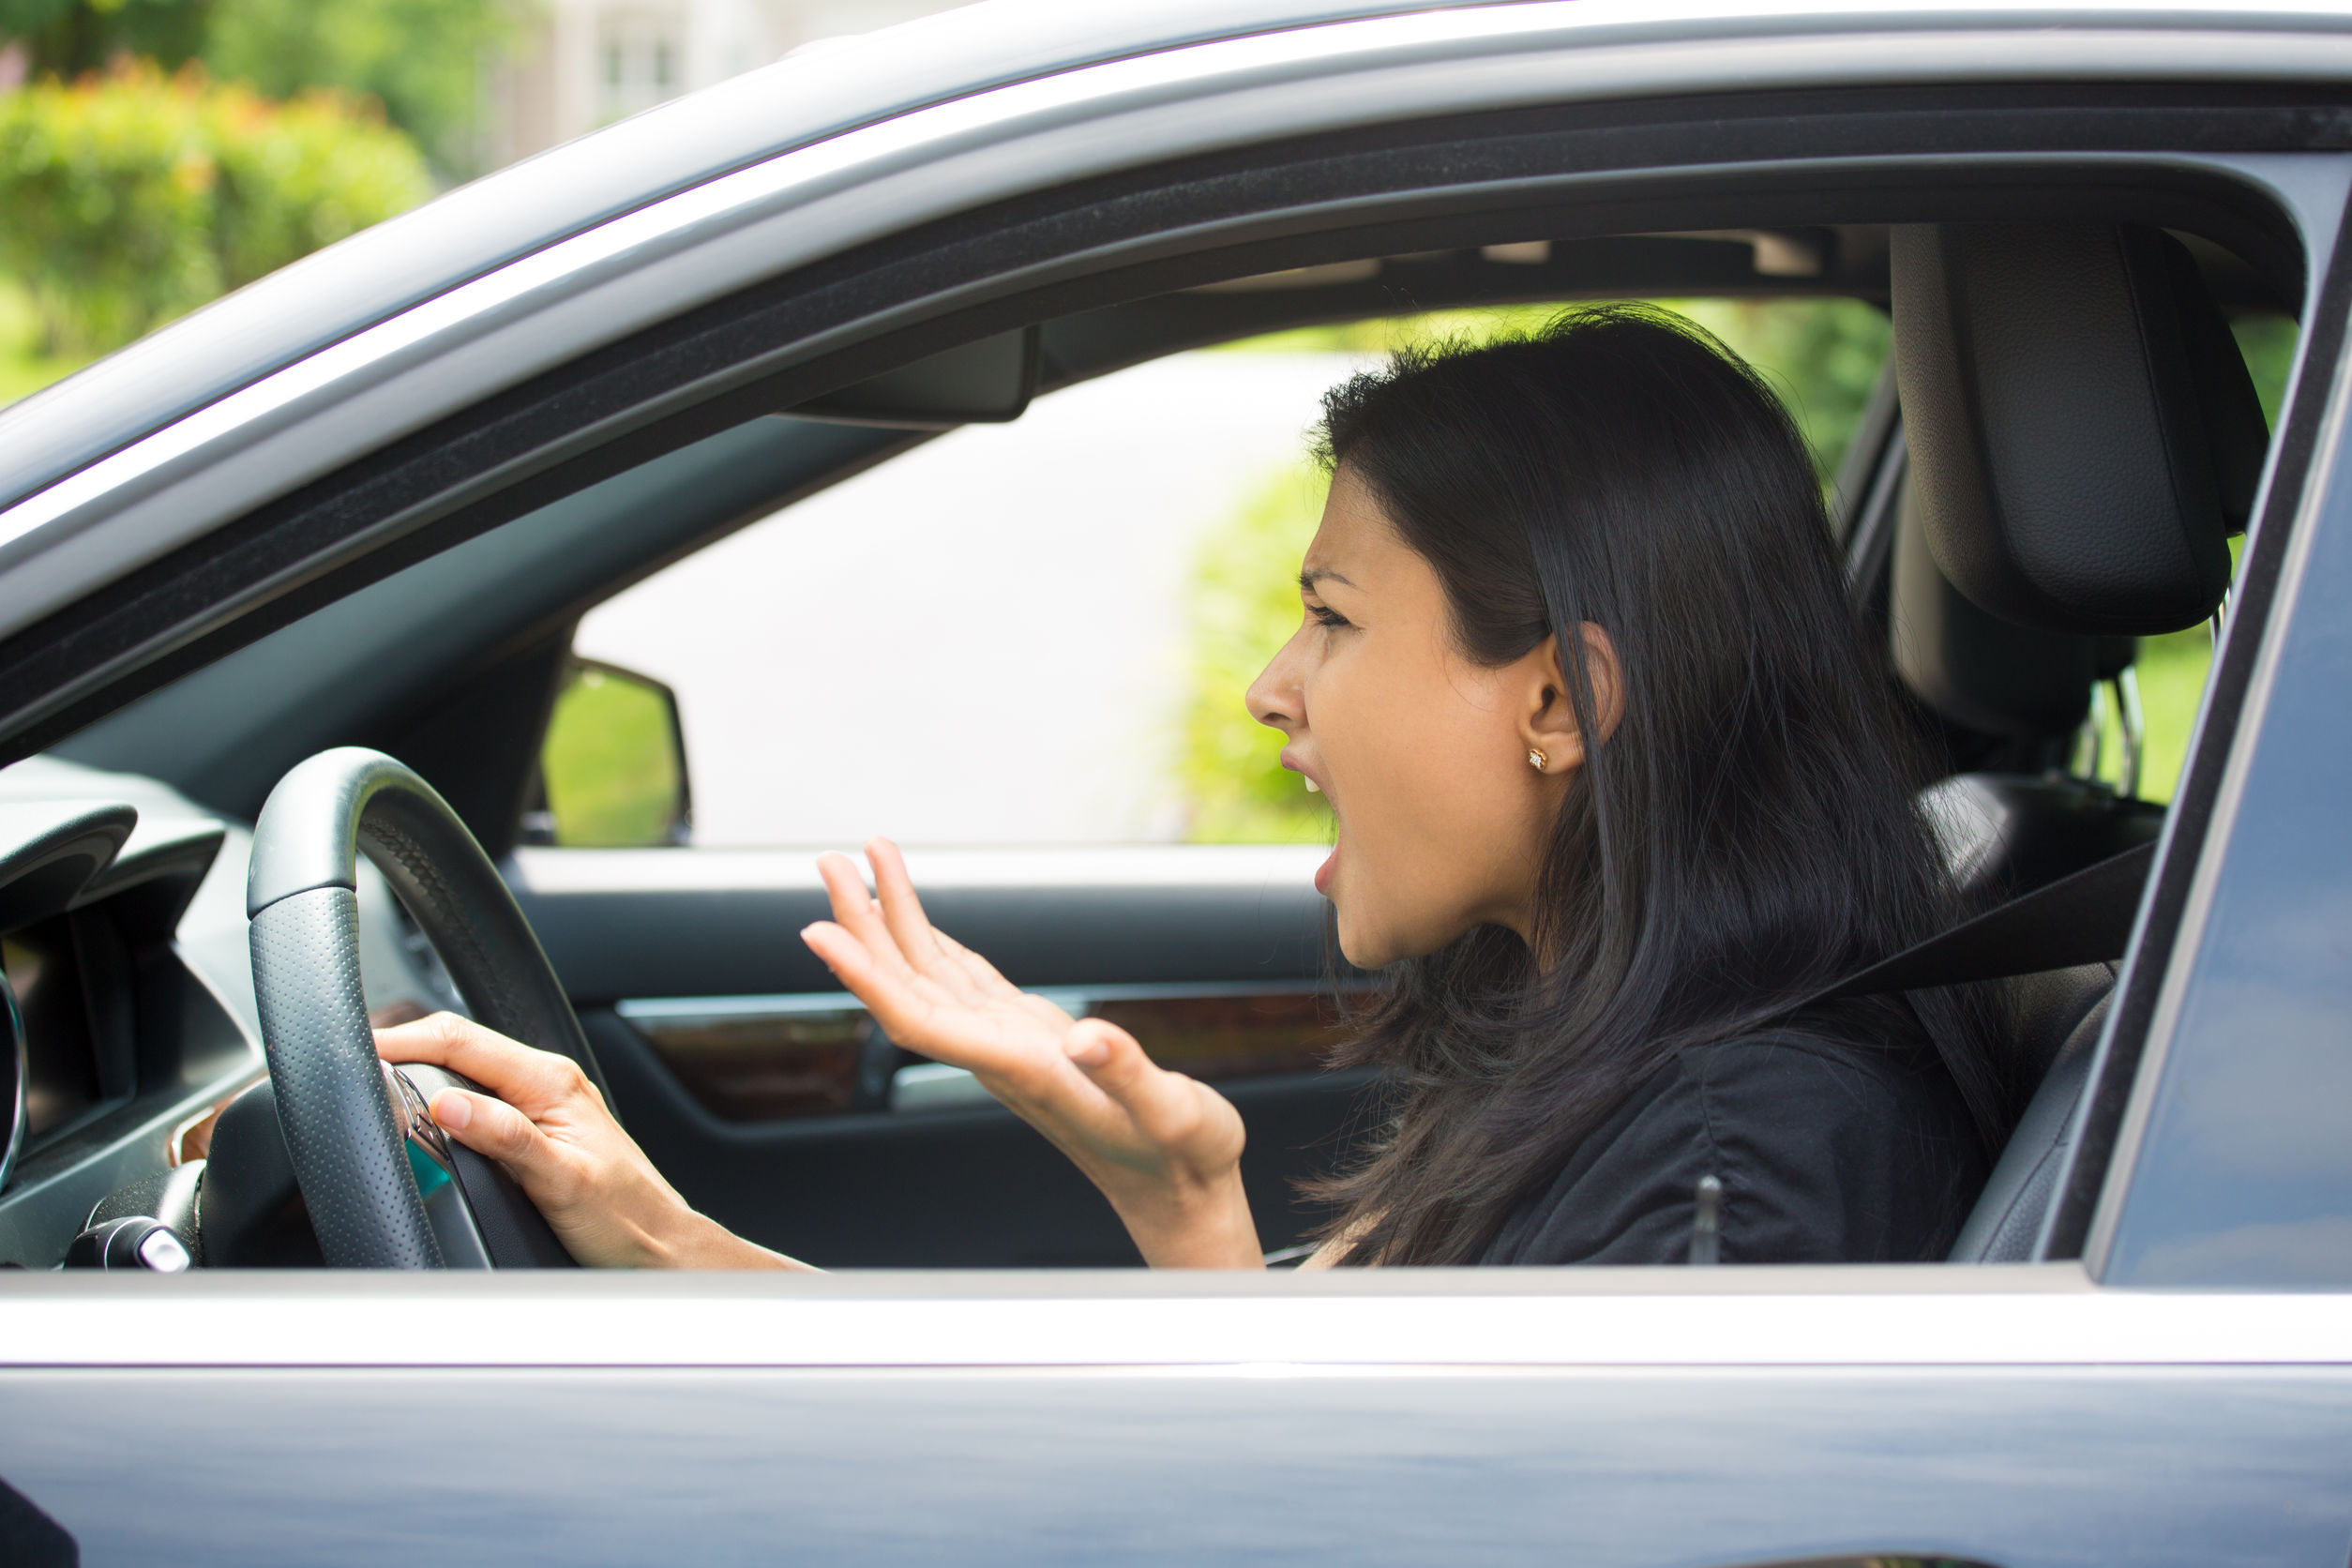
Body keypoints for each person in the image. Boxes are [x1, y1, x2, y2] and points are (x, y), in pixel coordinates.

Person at [375, 306, 2013, 1270]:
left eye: (1334, 616)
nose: (1272, 689)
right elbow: (1279, 1479)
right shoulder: (1615, 1061)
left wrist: (1191, 1216)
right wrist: (663, 1234)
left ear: (1561, 699)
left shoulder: (1737, 1171)